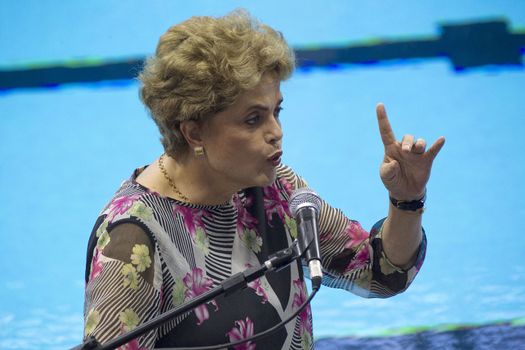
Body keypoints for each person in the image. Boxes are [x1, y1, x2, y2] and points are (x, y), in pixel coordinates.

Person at [83, 9, 445, 350]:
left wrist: (407, 201)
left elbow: (380, 271)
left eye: (276, 111)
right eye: (253, 119)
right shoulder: (132, 238)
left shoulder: (275, 190)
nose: (277, 132)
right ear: (194, 132)